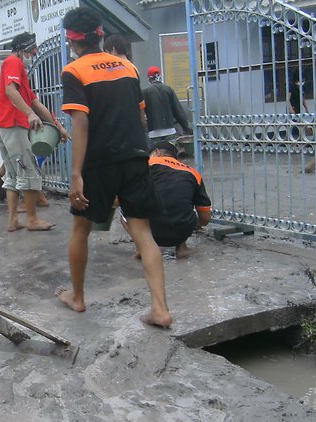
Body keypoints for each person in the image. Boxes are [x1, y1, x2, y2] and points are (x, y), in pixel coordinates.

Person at [58, 6, 172, 328]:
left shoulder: (74, 71)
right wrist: (141, 150)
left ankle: (77, 298)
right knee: (143, 233)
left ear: (72, 41)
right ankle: (160, 309)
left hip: (98, 161)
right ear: (101, 34)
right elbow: (140, 115)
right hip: (136, 155)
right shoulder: (128, 67)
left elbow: (80, 121)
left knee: (81, 228)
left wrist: (76, 173)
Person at [0, 32, 68, 232]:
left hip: (5, 124)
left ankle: (13, 220)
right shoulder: (13, 62)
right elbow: (11, 91)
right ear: (23, 50)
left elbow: (35, 103)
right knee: (28, 169)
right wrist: (29, 115)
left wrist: (58, 127)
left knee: (13, 174)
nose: (34, 53)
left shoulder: (21, 75)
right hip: (13, 124)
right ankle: (32, 220)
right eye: (32, 50)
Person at [120, 142, 211, 259]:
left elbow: (122, 198)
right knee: (180, 203)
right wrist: (197, 226)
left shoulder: (144, 165)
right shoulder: (193, 173)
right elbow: (205, 217)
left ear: (157, 152)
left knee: (124, 210)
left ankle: (143, 247)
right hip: (181, 230)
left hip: (149, 231)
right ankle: (182, 248)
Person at [0, 95, 49, 208]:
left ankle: (36, 202)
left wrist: (4, 167)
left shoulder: (11, 116)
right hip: (29, 148)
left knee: (26, 170)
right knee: (22, 171)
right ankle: (35, 202)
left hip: (36, 145)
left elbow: (17, 147)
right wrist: (4, 166)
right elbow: (11, 149)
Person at [142, 65, 191, 148]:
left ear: (149, 78)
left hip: (153, 132)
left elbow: (141, 113)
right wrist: (186, 128)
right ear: (160, 76)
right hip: (169, 130)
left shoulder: (145, 92)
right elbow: (178, 111)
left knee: (156, 156)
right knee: (169, 154)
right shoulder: (168, 89)